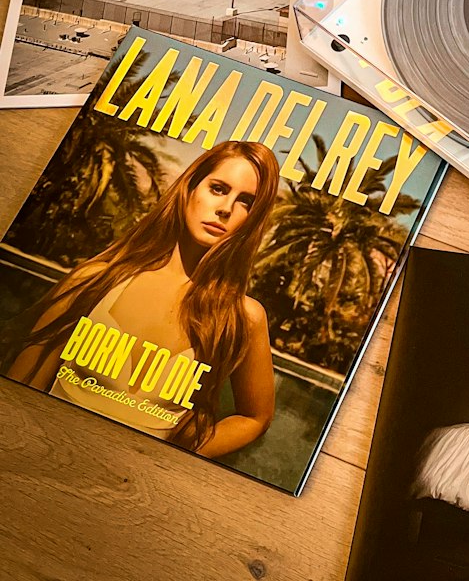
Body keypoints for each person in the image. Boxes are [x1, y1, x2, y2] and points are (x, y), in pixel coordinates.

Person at [6, 140, 281, 458]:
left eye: (246, 201)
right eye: (218, 189)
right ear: (189, 188)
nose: (226, 209)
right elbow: (19, 388)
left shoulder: (241, 316)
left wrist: (173, 457)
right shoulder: (94, 281)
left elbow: (255, 417)